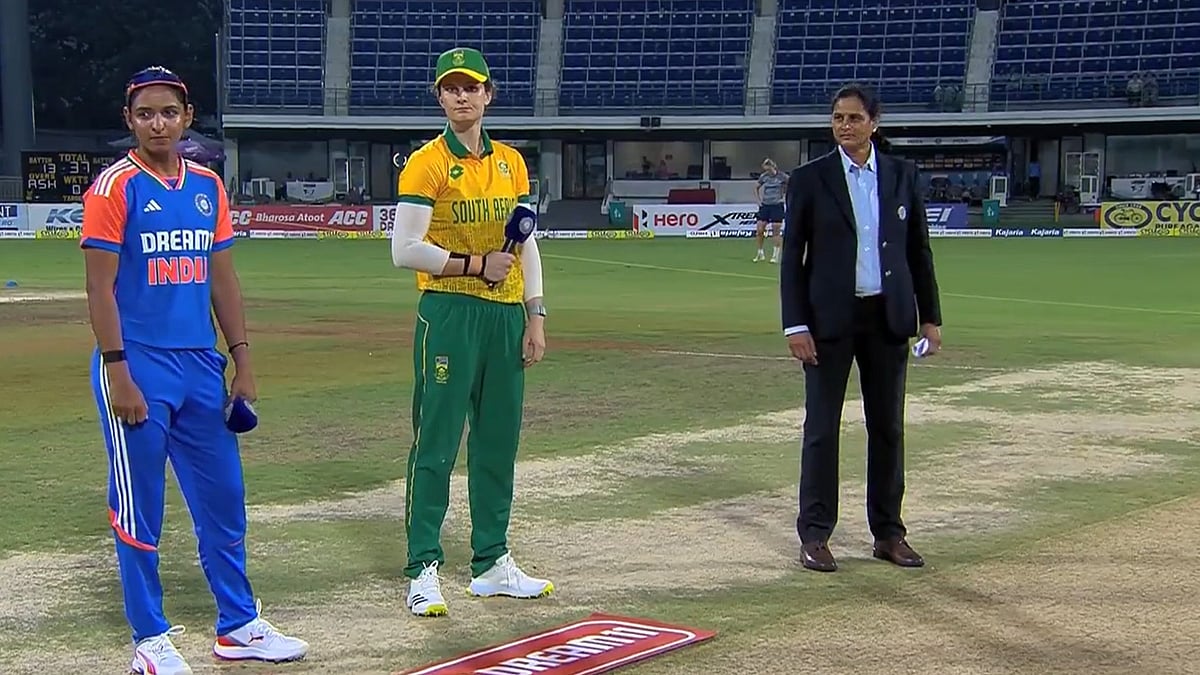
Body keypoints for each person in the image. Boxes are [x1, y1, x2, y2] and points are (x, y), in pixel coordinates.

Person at [80, 66, 309, 674]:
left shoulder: (208, 185)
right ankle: (149, 641)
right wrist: (119, 370)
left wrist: (243, 361)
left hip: (201, 368)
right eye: (146, 113)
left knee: (224, 501)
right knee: (140, 508)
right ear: (130, 120)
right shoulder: (113, 187)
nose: (159, 123)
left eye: (170, 112)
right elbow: (99, 291)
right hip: (138, 367)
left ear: (188, 118)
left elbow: (222, 279)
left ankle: (237, 625)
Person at [390, 47, 552, 618]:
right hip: (450, 311)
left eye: (471, 87)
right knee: (436, 441)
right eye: (450, 88)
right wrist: (473, 264)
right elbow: (403, 248)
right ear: (440, 98)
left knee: (497, 442)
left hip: (505, 316)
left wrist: (536, 313)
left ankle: (491, 562)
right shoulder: (425, 163)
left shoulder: (510, 162)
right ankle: (423, 567)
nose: (461, 96)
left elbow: (525, 240)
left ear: (489, 94)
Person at [778, 83, 943, 574]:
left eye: (853, 118)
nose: (844, 126)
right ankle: (815, 535)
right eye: (837, 119)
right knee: (822, 430)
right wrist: (795, 324)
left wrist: (930, 319)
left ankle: (889, 533)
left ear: (875, 122)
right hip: (829, 321)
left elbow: (919, 252)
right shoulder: (811, 179)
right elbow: (792, 258)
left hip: (886, 318)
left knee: (888, 429)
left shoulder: (901, 176)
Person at [753, 158, 788, 263]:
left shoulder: (782, 176)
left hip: (777, 205)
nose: (767, 172)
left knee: (775, 231)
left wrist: (785, 196)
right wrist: (758, 201)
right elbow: (756, 187)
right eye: (766, 170)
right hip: (765, 205)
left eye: (769, 170)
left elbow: (792, 184)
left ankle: (775, 255)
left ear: (773, 167)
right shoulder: (764, 177)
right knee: (760, 230)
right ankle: (760, 253)